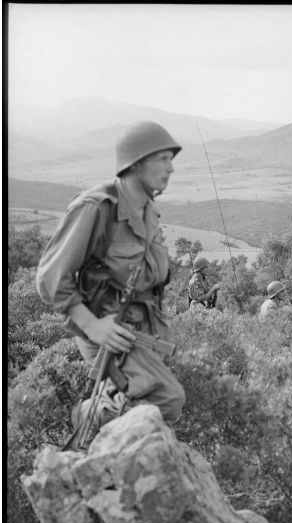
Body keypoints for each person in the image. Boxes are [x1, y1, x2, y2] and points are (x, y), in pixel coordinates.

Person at [35, 121, 186, 444]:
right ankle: (93, 416)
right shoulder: (97, 207)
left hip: (142, 329)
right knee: (167, 398)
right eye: (162, 158)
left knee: (154, 410)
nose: (170, 168)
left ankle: (114, 453)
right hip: (108, 329)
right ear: (136, 162)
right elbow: (50, 277)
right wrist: (90, 326)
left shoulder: (147, 209)